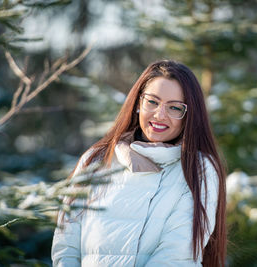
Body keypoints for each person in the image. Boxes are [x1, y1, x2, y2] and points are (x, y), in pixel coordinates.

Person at [51, 60, 227, 267]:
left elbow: (177, 257)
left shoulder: (198, 169)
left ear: (189, 115)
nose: (160, 115)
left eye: (174, 108)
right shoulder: (96, 159)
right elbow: (66, 244)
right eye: (152, 102)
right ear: (138, 103)